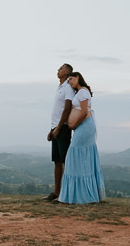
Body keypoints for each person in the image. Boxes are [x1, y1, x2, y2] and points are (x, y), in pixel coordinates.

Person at [57, 71, 105, 204]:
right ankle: (80, 194)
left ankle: (82, 195)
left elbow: (84, 112)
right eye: (69, 81)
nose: (70, 82)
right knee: (80, 158)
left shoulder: (83, 91)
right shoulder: (79, 92)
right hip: (81, 127)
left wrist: (73, 124)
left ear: (78, 78)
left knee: (74, 154)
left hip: (84, 127)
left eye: (71, 79)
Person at [43, 63, 74, 202]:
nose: (58, 70)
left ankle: (67, 193)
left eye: (61, 68)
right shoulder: (59, 87)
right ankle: (57, 192)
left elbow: (67, 109)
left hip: (63, 128)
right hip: (55, 127)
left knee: (65, 161)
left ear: (67, 72)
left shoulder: (68, 87)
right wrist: (52, 129)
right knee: (56, 161)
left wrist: (59, 127)